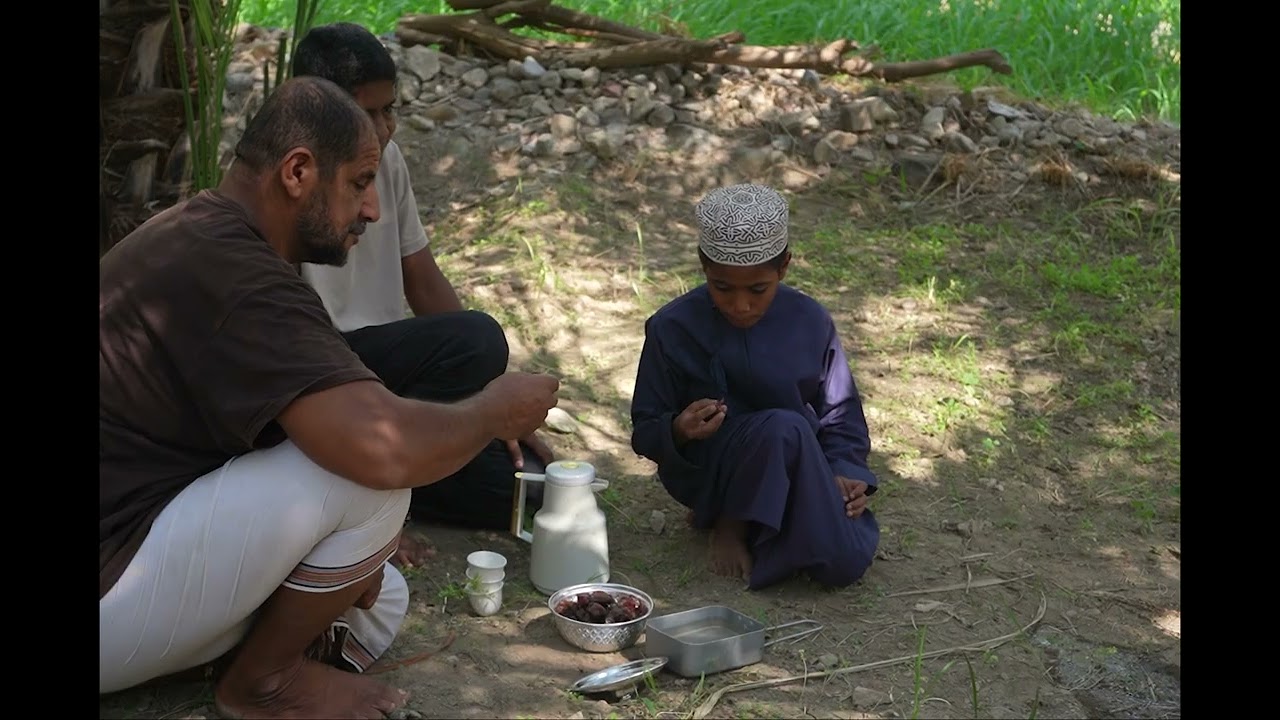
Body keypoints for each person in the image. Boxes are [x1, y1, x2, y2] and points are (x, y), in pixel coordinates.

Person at [99, 75, 561, 718]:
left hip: (133, 553)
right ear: (297, 172)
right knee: (370, 481)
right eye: (360, 182)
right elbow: (381, 449)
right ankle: (261, 685)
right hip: (115, 580)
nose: (371, 210)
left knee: (381, 593)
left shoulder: (203, 234)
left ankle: (230, 659)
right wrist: (492, 412)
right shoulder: (240, 275)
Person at [290, 22, 553, 539]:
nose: (383, 128)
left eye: (389, 110)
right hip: (324, 376)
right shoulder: (296, 176)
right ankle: (380, 487)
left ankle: (410, 464)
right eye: (366, 112)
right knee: (478, 337)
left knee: (530, 489)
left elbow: (422, 278)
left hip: (391, 369)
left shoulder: (385, 159)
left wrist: (494, 402)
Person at [629, 183, 880, 591]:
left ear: (784, 268)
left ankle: (780, 521)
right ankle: (731, 524)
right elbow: (644, 429)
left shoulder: (810, 321)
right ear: (703, 267)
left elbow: (841, 414)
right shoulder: (672, 327)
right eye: (723, 288)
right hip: (711, 475)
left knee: (844, 562)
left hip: (793, 467)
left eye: (758, 290)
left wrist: (844, 472)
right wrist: (679, 429)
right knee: (783, 427)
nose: (741, 305)